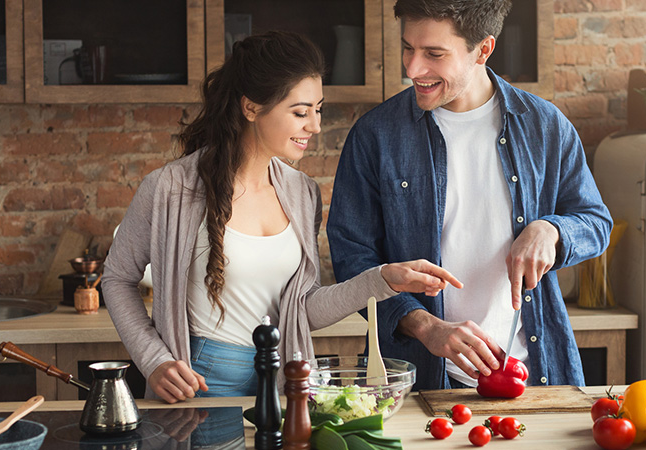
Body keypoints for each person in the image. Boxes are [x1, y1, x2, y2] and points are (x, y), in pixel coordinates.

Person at [102, 31, 461, 403]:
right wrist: (154, 360)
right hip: (201, 382)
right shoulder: (170, 188)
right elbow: (117, 279)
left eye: (318, 110)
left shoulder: (302, 193)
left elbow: (302, 309)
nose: (315, 126)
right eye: (300, 112)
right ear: (252, 108)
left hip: (284, 382)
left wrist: (383, 279)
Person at [327, 0, 613, 391]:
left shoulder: (545, 127)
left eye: (434, 54)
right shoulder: (375, 136)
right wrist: (426, 325)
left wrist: (552, 230)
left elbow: (596, 222)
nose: (412, 68)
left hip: (534, 376)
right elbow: (352, 260)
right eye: (408, 48)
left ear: (483, 50)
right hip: (418, 381)